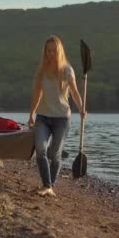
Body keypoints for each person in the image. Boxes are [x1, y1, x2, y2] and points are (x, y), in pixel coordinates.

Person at [28, 35, 85, 197]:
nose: (51, 54)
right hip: (43, 117)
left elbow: (74, 92)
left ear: (59, 51)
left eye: (54, 51)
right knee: (40, 150)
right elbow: (37, 94)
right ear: (45, 52)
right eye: (48, 51)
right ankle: (47, 186)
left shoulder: (67, 70)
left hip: (62, 118)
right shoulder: (41, 70)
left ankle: (50, 186)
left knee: (55, 155)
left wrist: (81, 108)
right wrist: (31, 113)